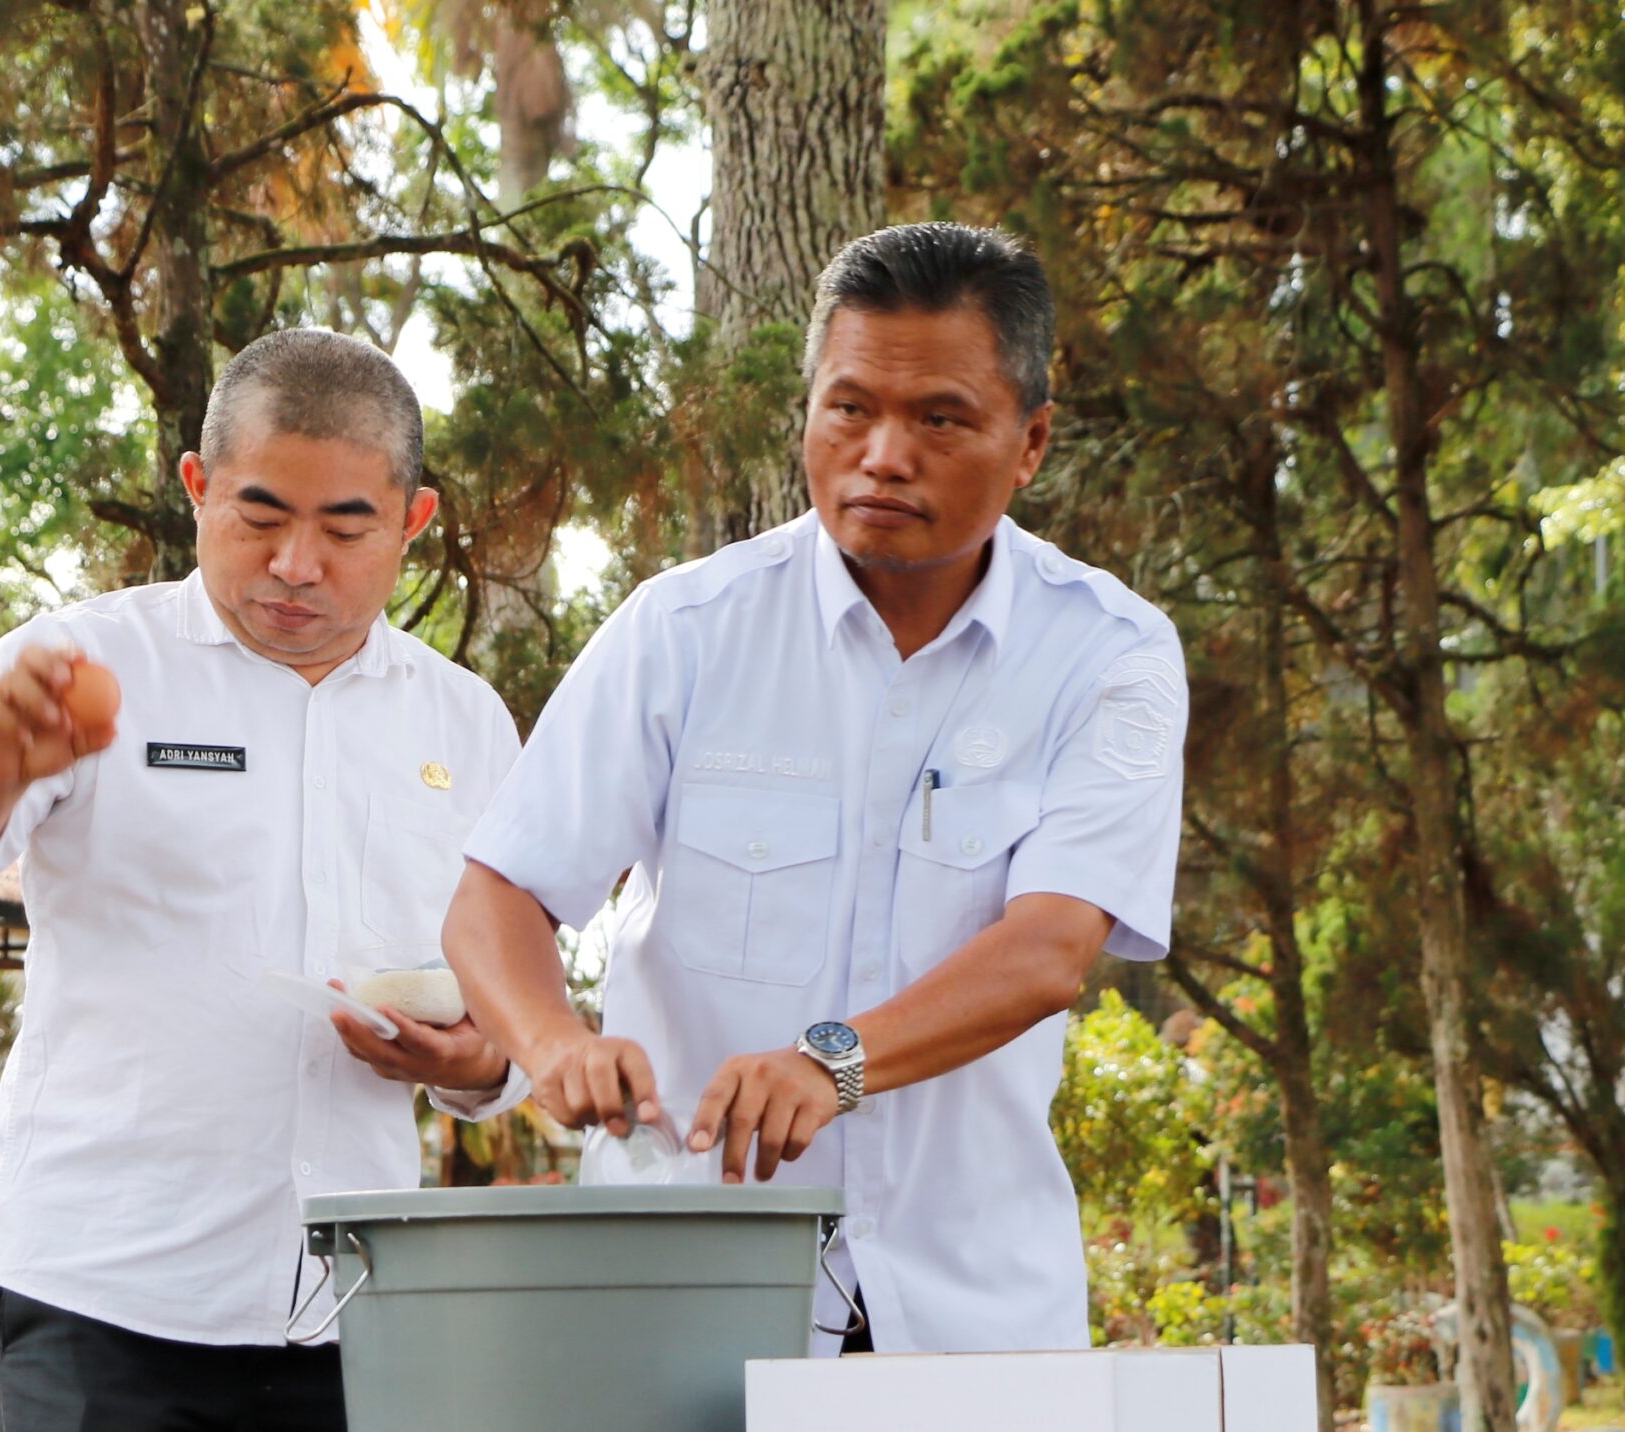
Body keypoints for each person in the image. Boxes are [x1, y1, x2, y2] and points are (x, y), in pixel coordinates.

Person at [0, 327, 527, 1432]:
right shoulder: (83, 659)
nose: (294, 563)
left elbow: (510, 999)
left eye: (344, 526)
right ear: (196, 487)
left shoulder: (464, 722)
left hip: (341, 1311)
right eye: (258, 514)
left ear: (414, 518)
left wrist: (481, 1058)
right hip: (103, 1291)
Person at [445, 223, 1186, 1353]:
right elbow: (495, 898)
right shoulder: (683, 631)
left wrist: (828, 1062)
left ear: (1029, 441)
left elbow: (1046, 953)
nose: (884, 454)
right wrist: (553, 1045)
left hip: (968, 1312)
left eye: (940, 418)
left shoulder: (1109, 654)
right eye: (849, 408)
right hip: (684, 1305)